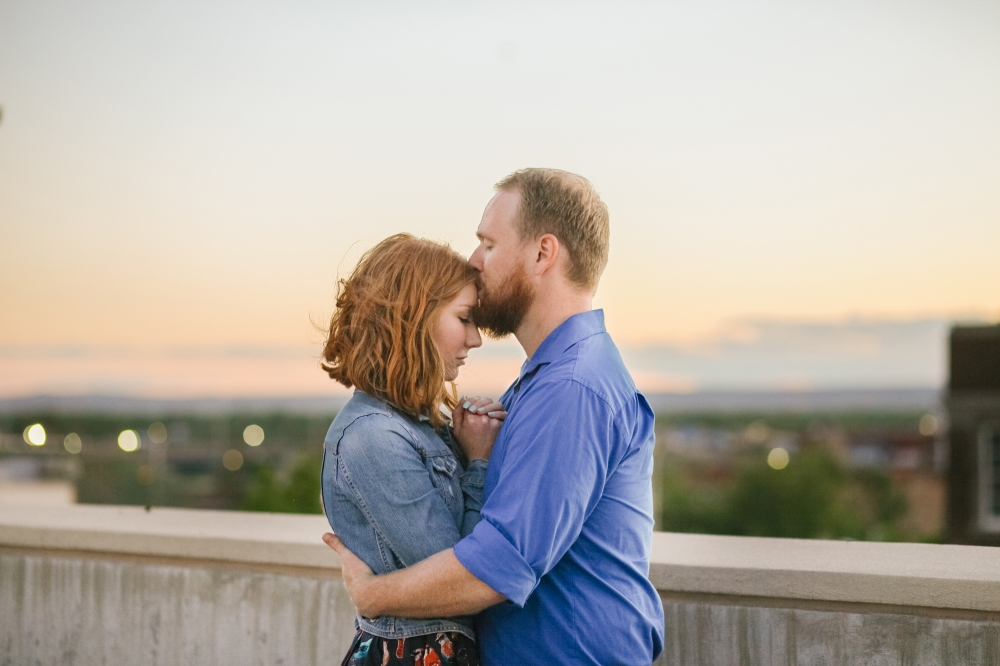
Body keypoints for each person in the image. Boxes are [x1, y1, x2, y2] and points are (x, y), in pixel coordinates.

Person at [324, 169, 665, 665]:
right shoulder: (547, 379)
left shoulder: (572, 387)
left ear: (543, 253)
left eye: (487, 243)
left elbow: (498, 564)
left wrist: (374, 596)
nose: (474, 260)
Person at [319, 234, 507, 666]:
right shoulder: (372, 439)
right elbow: (461, 577)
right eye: (464, 319)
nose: (476, 339)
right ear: (413, 319)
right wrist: (477, 461)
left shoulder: (420, 427)